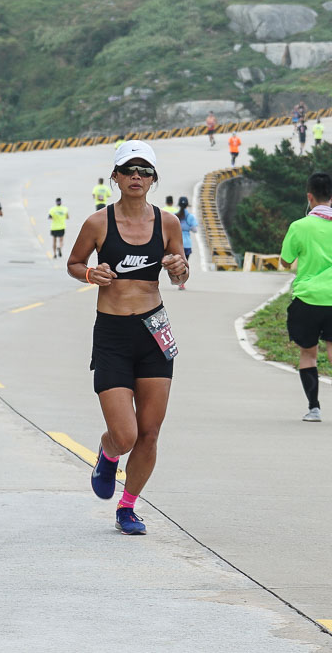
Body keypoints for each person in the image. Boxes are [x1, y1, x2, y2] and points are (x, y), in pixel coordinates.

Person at [68, 140, 189, 535]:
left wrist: (179, 268)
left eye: (145, 171)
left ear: (154, 179)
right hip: (113, 335)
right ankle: (107, 453)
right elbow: (73, 262)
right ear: (116, 177)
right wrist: (90, 274)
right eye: (129, 170)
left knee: (150, 432)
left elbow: (180, 274)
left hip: (153, 332)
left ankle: (128, 507)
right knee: (126, 434)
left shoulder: (168, 223)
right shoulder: (97, 223)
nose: (136, 177)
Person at [279, 171, 332, 422]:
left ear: (310, 197)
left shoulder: (299, 226)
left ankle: (314, 408)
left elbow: (285, 261)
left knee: (308, 353)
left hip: (308, 298)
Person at [175, 196, 198, 291]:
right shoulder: (190, 217)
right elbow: (195, 230)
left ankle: (177, 279)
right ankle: (182, 283)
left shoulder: (175, 216)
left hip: (176, 243)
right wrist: (187, 227)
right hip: (187, 244)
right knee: (185, 264)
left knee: (178, 263)